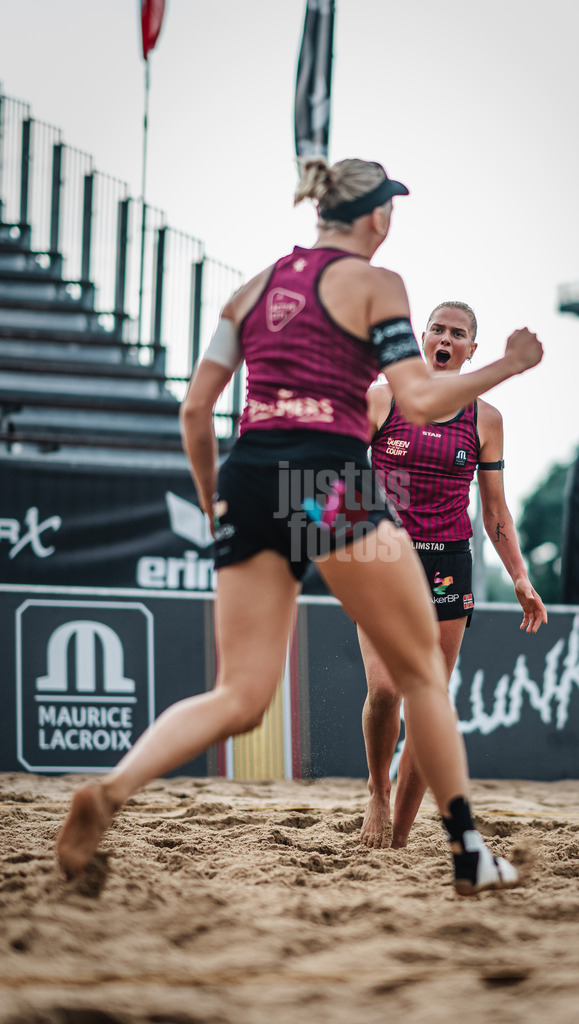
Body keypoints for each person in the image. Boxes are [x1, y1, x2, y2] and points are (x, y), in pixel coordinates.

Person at [56, 157, 543, 896]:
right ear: (376, 216)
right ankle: (470, 854)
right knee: (421, 675)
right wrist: (507, 363)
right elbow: (418, 400)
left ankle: (110, 789)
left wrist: (215, 502)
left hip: (250, 477)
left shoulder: (252, 288)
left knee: (240, 696)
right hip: (325, 481)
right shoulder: (377, 284)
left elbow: (195, 409)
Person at [358, 300, 548, 851]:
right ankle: (376, 789)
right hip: (383, 560)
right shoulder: (382, 398)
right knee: (386, 689)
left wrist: (520, 577)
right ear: (423, 338)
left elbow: (495, 510)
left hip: (447, 563)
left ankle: (397, 837)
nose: (445, 339)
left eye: (457, 333)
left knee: (429, 705)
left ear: (471, 349)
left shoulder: (486, 419)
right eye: (437, 329)